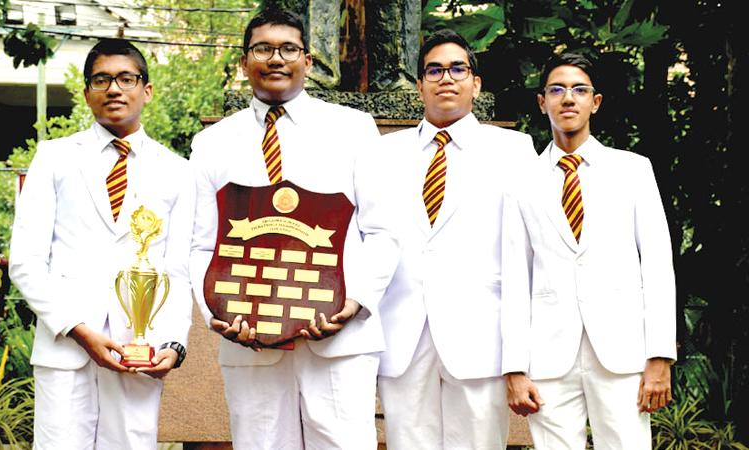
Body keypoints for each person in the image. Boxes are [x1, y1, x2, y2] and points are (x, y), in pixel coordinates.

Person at [188, 9, 399, 449]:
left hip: (339, 338)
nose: (276, 58)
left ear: (307, 60)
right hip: (248, 336)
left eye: (288, 48)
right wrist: (217, 312)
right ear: (245, 62)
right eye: (263, 48)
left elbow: (383, 231)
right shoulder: (211, 143)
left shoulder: (353, 129)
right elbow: (199, 243)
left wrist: (355, 302)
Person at [9, 38, 194, 449]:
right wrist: (79, 329)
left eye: (127, 78)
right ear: (86, 92)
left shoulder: (178, 171)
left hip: (138, 349)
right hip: (66, 347)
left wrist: (174, 345)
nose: (114, 89)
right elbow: (25, 261)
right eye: (102, 79)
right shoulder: (54, 158)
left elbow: (178, 270)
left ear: (146, 90)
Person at [501, 52, 676, 449]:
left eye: (579, 90)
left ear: (595, 102)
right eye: (557, 90)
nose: (568, 98)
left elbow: (658, 267)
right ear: (541, 101)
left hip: (621, 352)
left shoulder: (633, 170)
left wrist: (660, 356)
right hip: (547, 357)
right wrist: (514, 368)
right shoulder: (520, 181)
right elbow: (515, 274)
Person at [375, 29, 536, 449]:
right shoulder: (382, 154)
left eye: (457, 69)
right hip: (402, 335)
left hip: (481, 336)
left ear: (475, 83)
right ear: (419, 85)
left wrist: (520, 352)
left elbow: (528, 255)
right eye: (434, 70)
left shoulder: (515, 150)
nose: (446, 78)